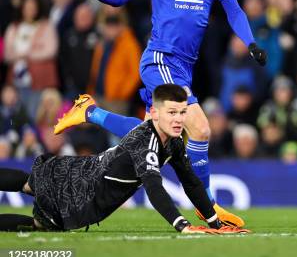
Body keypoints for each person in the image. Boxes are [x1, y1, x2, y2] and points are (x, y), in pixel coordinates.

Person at [56, 0, 267, 227]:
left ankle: (89, 112)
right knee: (201, 128)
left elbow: (234, 10)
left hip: (185, 66)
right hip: (159, 59)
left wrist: (250, 42)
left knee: (151, 137)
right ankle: (207, 204)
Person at [0, 84, 248, 234]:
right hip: (80, 187)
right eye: (171, 112)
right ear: (153, 113)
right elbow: (153, 186)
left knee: (32, 198)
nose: (178, 119)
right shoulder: (146, 140)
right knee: (31, 194)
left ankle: (90, 111)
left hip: (86, 182)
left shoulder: (172, 141)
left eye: (182, 113)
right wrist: (182, 225)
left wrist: (215, 223)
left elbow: (191, 182)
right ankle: (89, 111)